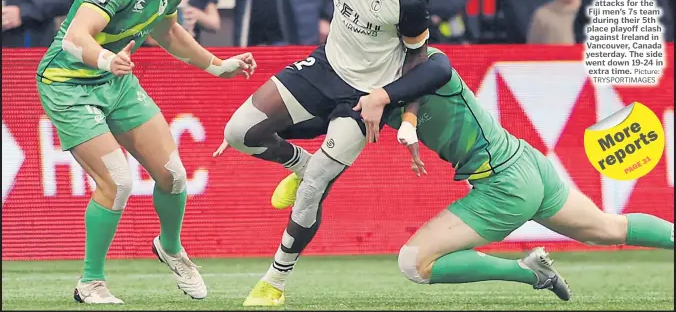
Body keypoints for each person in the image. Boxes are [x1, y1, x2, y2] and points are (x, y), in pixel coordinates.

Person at [267, 47, 675, 303]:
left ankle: (528, 272)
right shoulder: (371, 94)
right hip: (524, 162)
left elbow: (437, 68)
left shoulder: (424, 66)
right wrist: (258, 133)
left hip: (504, 183)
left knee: (414, 263)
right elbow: (318, 121)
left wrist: (391, 102)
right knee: (606, 228)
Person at [218, 0, 452, 306]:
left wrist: (410, 116)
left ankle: (274, 281)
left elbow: (419, 58)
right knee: (239, 132)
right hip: (325, 67)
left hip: (366, 97)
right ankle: (302, 165)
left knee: (313, 190)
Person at [35, 0, 257, 305]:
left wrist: (219, 66)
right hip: (69, 85)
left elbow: (168, 32)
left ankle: (170, 247)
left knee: (172, 175)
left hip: (115, 83)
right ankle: (90, 282)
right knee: (117, 181)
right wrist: (105, 59)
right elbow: (74, 37)